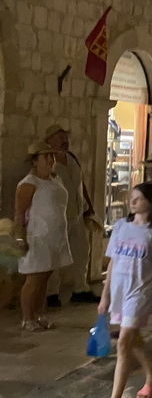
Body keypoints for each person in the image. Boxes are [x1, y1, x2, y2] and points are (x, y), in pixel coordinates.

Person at [94, 182, 152, 398]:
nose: (133, 201)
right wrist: (105, 295)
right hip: (119, 290)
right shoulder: (120, 227)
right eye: (133, 197)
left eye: (138, 198)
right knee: (131, 338)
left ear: (150, 202)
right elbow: (112, 263)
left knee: (123, 342)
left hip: (140, 292)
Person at [14, 142, 73, 331]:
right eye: (45, 157)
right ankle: (27, 317)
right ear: (35, 161)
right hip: (36, 236)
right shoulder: (29, 183)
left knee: (45, 276)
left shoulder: (55, 179)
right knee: (34, 277)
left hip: (53, 236)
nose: (50, 160)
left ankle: (38, 314)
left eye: (51, 156)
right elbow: (19, 213)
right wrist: (20, 238)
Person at [42, 124, 98, 307]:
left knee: (81, 251)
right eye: (59, 137)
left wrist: (88, 205)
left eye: (65, 137)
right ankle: (51, 293)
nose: (64, 141)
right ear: (49, 140)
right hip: (57, 216)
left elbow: (80, 184)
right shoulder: (47, 162)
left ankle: (80, 289)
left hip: (76, 213)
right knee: (55, 254)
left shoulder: (72, 159)